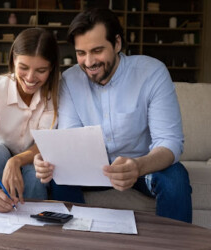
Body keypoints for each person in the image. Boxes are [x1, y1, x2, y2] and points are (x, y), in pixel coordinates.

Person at [34, 9, 192, 223]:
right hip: (91, 169)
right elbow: (70, 138)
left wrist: (138, 167)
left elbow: (170, 142)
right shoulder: (70, 80)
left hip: (142, 167)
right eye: (81, 53)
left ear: (117, 43)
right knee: (58, 178)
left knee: (176, 178)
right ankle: (71, 242)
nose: (89, 62)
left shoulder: (152, 73)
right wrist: (49, 159)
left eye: (97, 50)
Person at [0, 28, 60, 213]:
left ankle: (33, 233)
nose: (31, 78)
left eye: (41, 70)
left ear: (51, 68)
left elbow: (44, 142)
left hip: (32, 157)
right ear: (13, 60)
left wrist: (15, 161)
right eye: (23, 67)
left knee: (35, 175)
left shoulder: (54, 94)